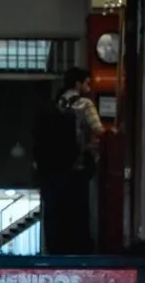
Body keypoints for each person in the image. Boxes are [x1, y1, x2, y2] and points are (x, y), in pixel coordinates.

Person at [35, 67, 109, 255]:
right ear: (78, 84)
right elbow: (99, 130)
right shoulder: (85, 104)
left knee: (57, 211)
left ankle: (55, 250)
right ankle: (79, 249)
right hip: (77, 166)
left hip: (54, 169)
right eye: (87, 82)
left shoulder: (55, 105)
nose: (89, 86)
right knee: (78, 210)